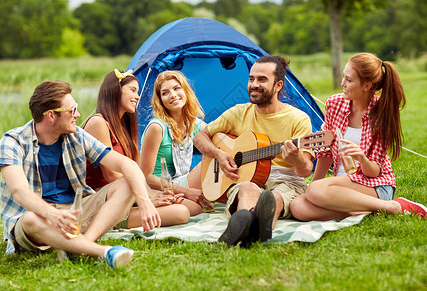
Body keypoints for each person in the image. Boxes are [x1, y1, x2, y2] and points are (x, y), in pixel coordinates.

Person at [0, 80, 161, 270]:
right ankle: (102, 251)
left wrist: (145, 200)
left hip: (74, 213)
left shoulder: (77, 135)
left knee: (128, 182)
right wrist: (52, 214)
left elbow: (125, 164)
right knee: (32, 218)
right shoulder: (12, 141)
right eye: (72, 110)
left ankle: (81, 245)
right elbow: (20, 192)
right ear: (50, 115)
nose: (78, 115)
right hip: (36, 218)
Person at [193, 55, 315, 246]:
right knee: (247, 188)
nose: (254, 84)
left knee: (274, 198)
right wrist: (218, 154)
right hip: (245, 178)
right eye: (251, 79)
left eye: (262, 79)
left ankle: (250, 228)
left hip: (286, 180)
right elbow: (199, 137)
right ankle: (247, 224)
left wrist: (296, 158)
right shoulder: (238, 112)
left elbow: (305, 171)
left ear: (278, 85)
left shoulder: (298, 119)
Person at [290, 53, 427, 221]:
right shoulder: (334, 104)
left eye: (349, 80)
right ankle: (362, 210)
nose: (342, 83)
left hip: (375, 185)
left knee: (315, 191)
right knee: (298, 207)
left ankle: (391, 206)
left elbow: (375, 172)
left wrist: (362, 158)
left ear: (366, 86)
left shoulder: (381, 113)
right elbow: (325, 153)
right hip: (341, 185)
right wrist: (314, 184)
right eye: (343, 77)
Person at [83, 69, 190, 227]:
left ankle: (136, 211)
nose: (138, 97)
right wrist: (148, 198)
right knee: (180, 212)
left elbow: (136, 173)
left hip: (128, 195)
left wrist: (157, 195)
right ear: (115, 91)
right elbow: (112, 175)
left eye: (137, 91)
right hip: (104, 199)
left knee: (188, 207)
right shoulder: (98, 123)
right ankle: (111, 221)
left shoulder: (124, 127)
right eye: (132, 90)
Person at [140, 70, 210, 216]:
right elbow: (145, 177)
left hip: (181, 180)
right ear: (160, 101)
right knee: (194, 208)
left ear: (185, 91)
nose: (173, 95)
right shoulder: (157, 127)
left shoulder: (195, 124)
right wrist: (186, 191)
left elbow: (219, 141)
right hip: (158, 187)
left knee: (218, 157)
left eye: (177, 88)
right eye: (165, 93)